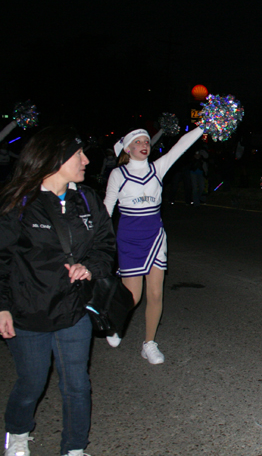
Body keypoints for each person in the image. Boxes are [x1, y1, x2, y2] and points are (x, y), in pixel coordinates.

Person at [1, 127, 116, 456]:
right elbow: (2, 258)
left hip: (73, 310)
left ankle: (75, 449)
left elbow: (105, 247)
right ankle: (18, 433)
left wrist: (90, 267)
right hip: (28, 312)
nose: (86, 160)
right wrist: (2, 306)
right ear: (54, 159)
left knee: (77, 384)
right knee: (31, 383)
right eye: (78, 154)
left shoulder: (88, 199)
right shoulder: (18, 203)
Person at [103, 125, 204, 363]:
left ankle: (149, 344)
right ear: (128, 148)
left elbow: (181, 145)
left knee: (156, 294)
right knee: (133, 297)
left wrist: (205, 126)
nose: (144, 145)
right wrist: (93, 237)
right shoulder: (118, 174)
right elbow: (107, 208)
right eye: (138, 142)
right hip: (129, 237)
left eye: (146, 141)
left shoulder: (157, 168)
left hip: (155, 236)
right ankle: (114, 322)